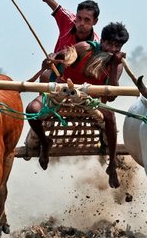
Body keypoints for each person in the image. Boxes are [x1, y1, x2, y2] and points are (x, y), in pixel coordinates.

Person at [26, 22, 129, 189]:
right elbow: (57, 57)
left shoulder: (117, 64)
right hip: (61, 94)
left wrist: (115, 65)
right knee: (32, 110)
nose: (112, 49)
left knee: (110, 116)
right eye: (109, 44)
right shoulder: (84, 47)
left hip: (91, 102)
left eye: (117, 46)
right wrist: (51, 60)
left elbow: (112, 98)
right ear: (101, 41)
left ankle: (112, 165)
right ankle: (45, 143)